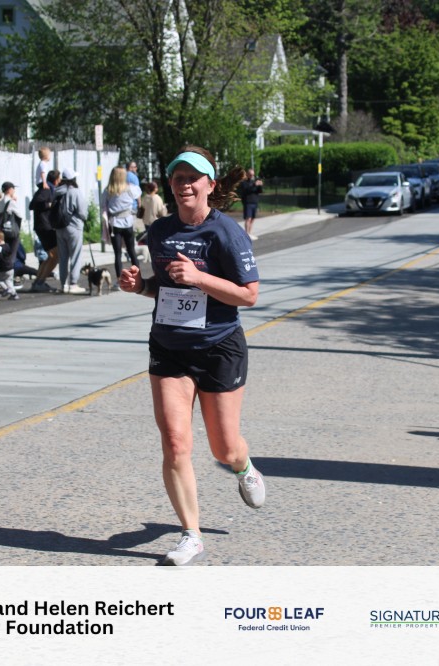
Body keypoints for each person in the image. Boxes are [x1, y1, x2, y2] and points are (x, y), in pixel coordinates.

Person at [118, 145, 264, 566]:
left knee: (224, 448)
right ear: (171, 184)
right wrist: (139, 286)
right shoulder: (160, 231)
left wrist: (200, 277)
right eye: (178, 178)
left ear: (209, 185)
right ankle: (191, 534)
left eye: (193, 178)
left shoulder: (226, 233)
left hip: (219, 346)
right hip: (169, 347)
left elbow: (249, 295)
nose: (185, 185)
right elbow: (162, 287)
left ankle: (244, 467)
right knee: (175, 442)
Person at [102, 166, 139, 285]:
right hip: (128, 221)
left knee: (117, 253)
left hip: (114, 223)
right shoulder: (130, 188)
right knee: (131, 251)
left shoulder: (108, 190)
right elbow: (138, 193)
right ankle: (137, 277)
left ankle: (119, 280)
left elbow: (103, 205)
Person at [55, 167, 88, 295]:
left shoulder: (57, 191)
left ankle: (63, 284)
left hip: (59, 227)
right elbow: (82, 212)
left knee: (63, 257)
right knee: (75, 255)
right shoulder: (75, 192)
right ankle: (73, 283)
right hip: (74, 226)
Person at [29, 169, 61, 292]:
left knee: (51, 256)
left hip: (44, 226)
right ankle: (40, 282)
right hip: (44, 226)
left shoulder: (48, 189)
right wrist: (49, 205)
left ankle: (38, 282)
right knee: (55, 256)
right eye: (59, 179)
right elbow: (33, 204)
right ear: (56, 180)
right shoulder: (46, 189)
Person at [0, 231, 18, 300]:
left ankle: (7, 289)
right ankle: (14, 295)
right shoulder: (7, 245)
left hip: (4, 268)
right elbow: (8, 253)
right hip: (10, 267)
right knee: (9, 281)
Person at [239, 168, 264, 240]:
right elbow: (246, 190)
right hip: (248, 202)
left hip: (254, 202)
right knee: (248, 218)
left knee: (252, 219)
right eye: (250, 175)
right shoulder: (244, 182)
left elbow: (260, 191)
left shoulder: (254, 182)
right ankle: (246, 234)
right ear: (247, 174)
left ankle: (249, 233)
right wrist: (254, 184)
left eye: (253, 175)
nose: (252, 176)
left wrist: (260, 185)